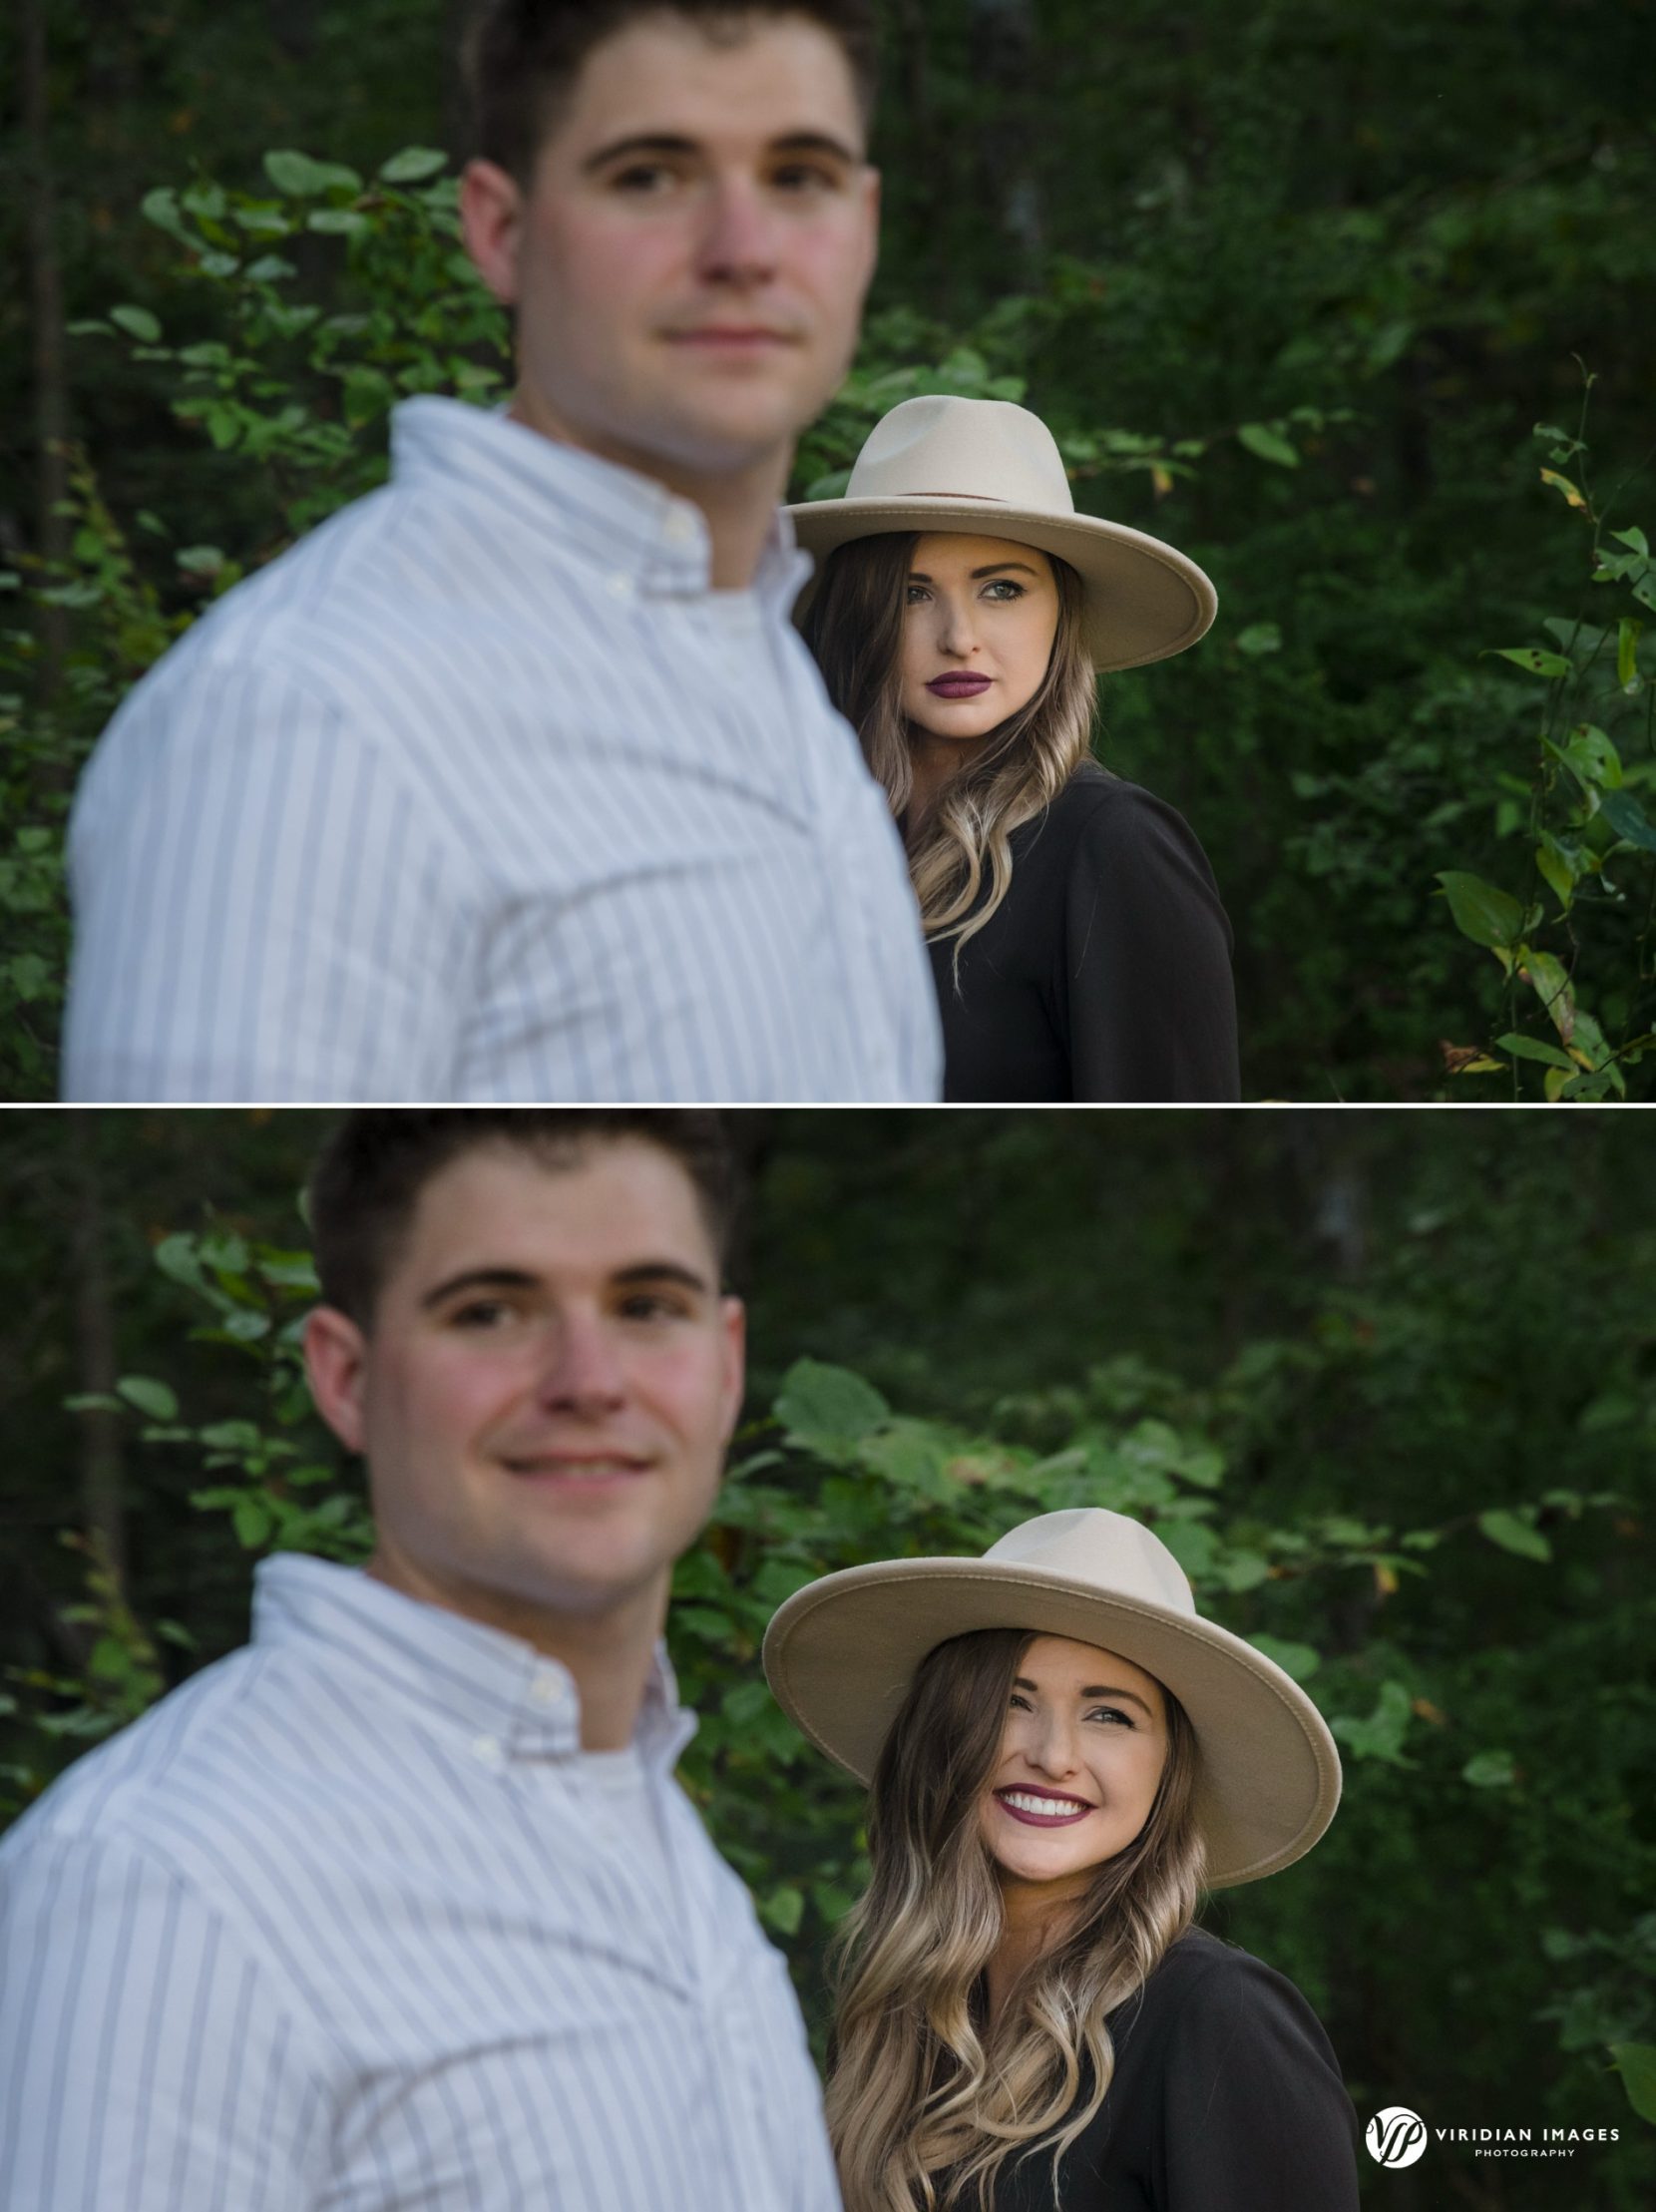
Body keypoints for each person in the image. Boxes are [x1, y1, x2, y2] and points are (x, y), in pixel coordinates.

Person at [62, 1, 941, 1105]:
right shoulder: (308, 719)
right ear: (500, 233)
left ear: (862, 223)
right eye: (649, 177)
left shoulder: (769, 672)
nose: (744, 250)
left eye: (798, 175)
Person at [0, 1110, 844, 2211]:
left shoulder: (649, 1819)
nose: (589, 1378)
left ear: (725, 1367)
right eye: (490, 1311)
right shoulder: (165, 1882)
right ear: (345, 1378)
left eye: (646, 1307)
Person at [764, 1507, 1361, 2210]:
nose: (1052, 1756)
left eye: (1110, 1714)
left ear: (1169, 1769)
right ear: (944, 1736)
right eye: (1012, 1703)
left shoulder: (1217, 2020)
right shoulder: (894, 2026)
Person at [790, 395, 1240, 1103]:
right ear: (858, 617)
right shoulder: (800, 851)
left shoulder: (1114, 846)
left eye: (1002, 588)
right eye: (912, 593)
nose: (959, 636)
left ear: (1062, 615)